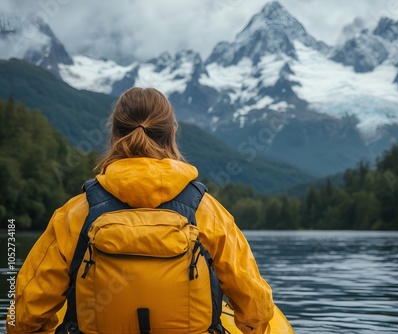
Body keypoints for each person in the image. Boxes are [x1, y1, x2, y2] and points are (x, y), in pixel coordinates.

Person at [7, 87, 274, 334]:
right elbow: (256, 309)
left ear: (114, 134)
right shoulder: (208, 211)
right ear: (171, 134)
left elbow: (25, 313)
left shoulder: (76, 212)